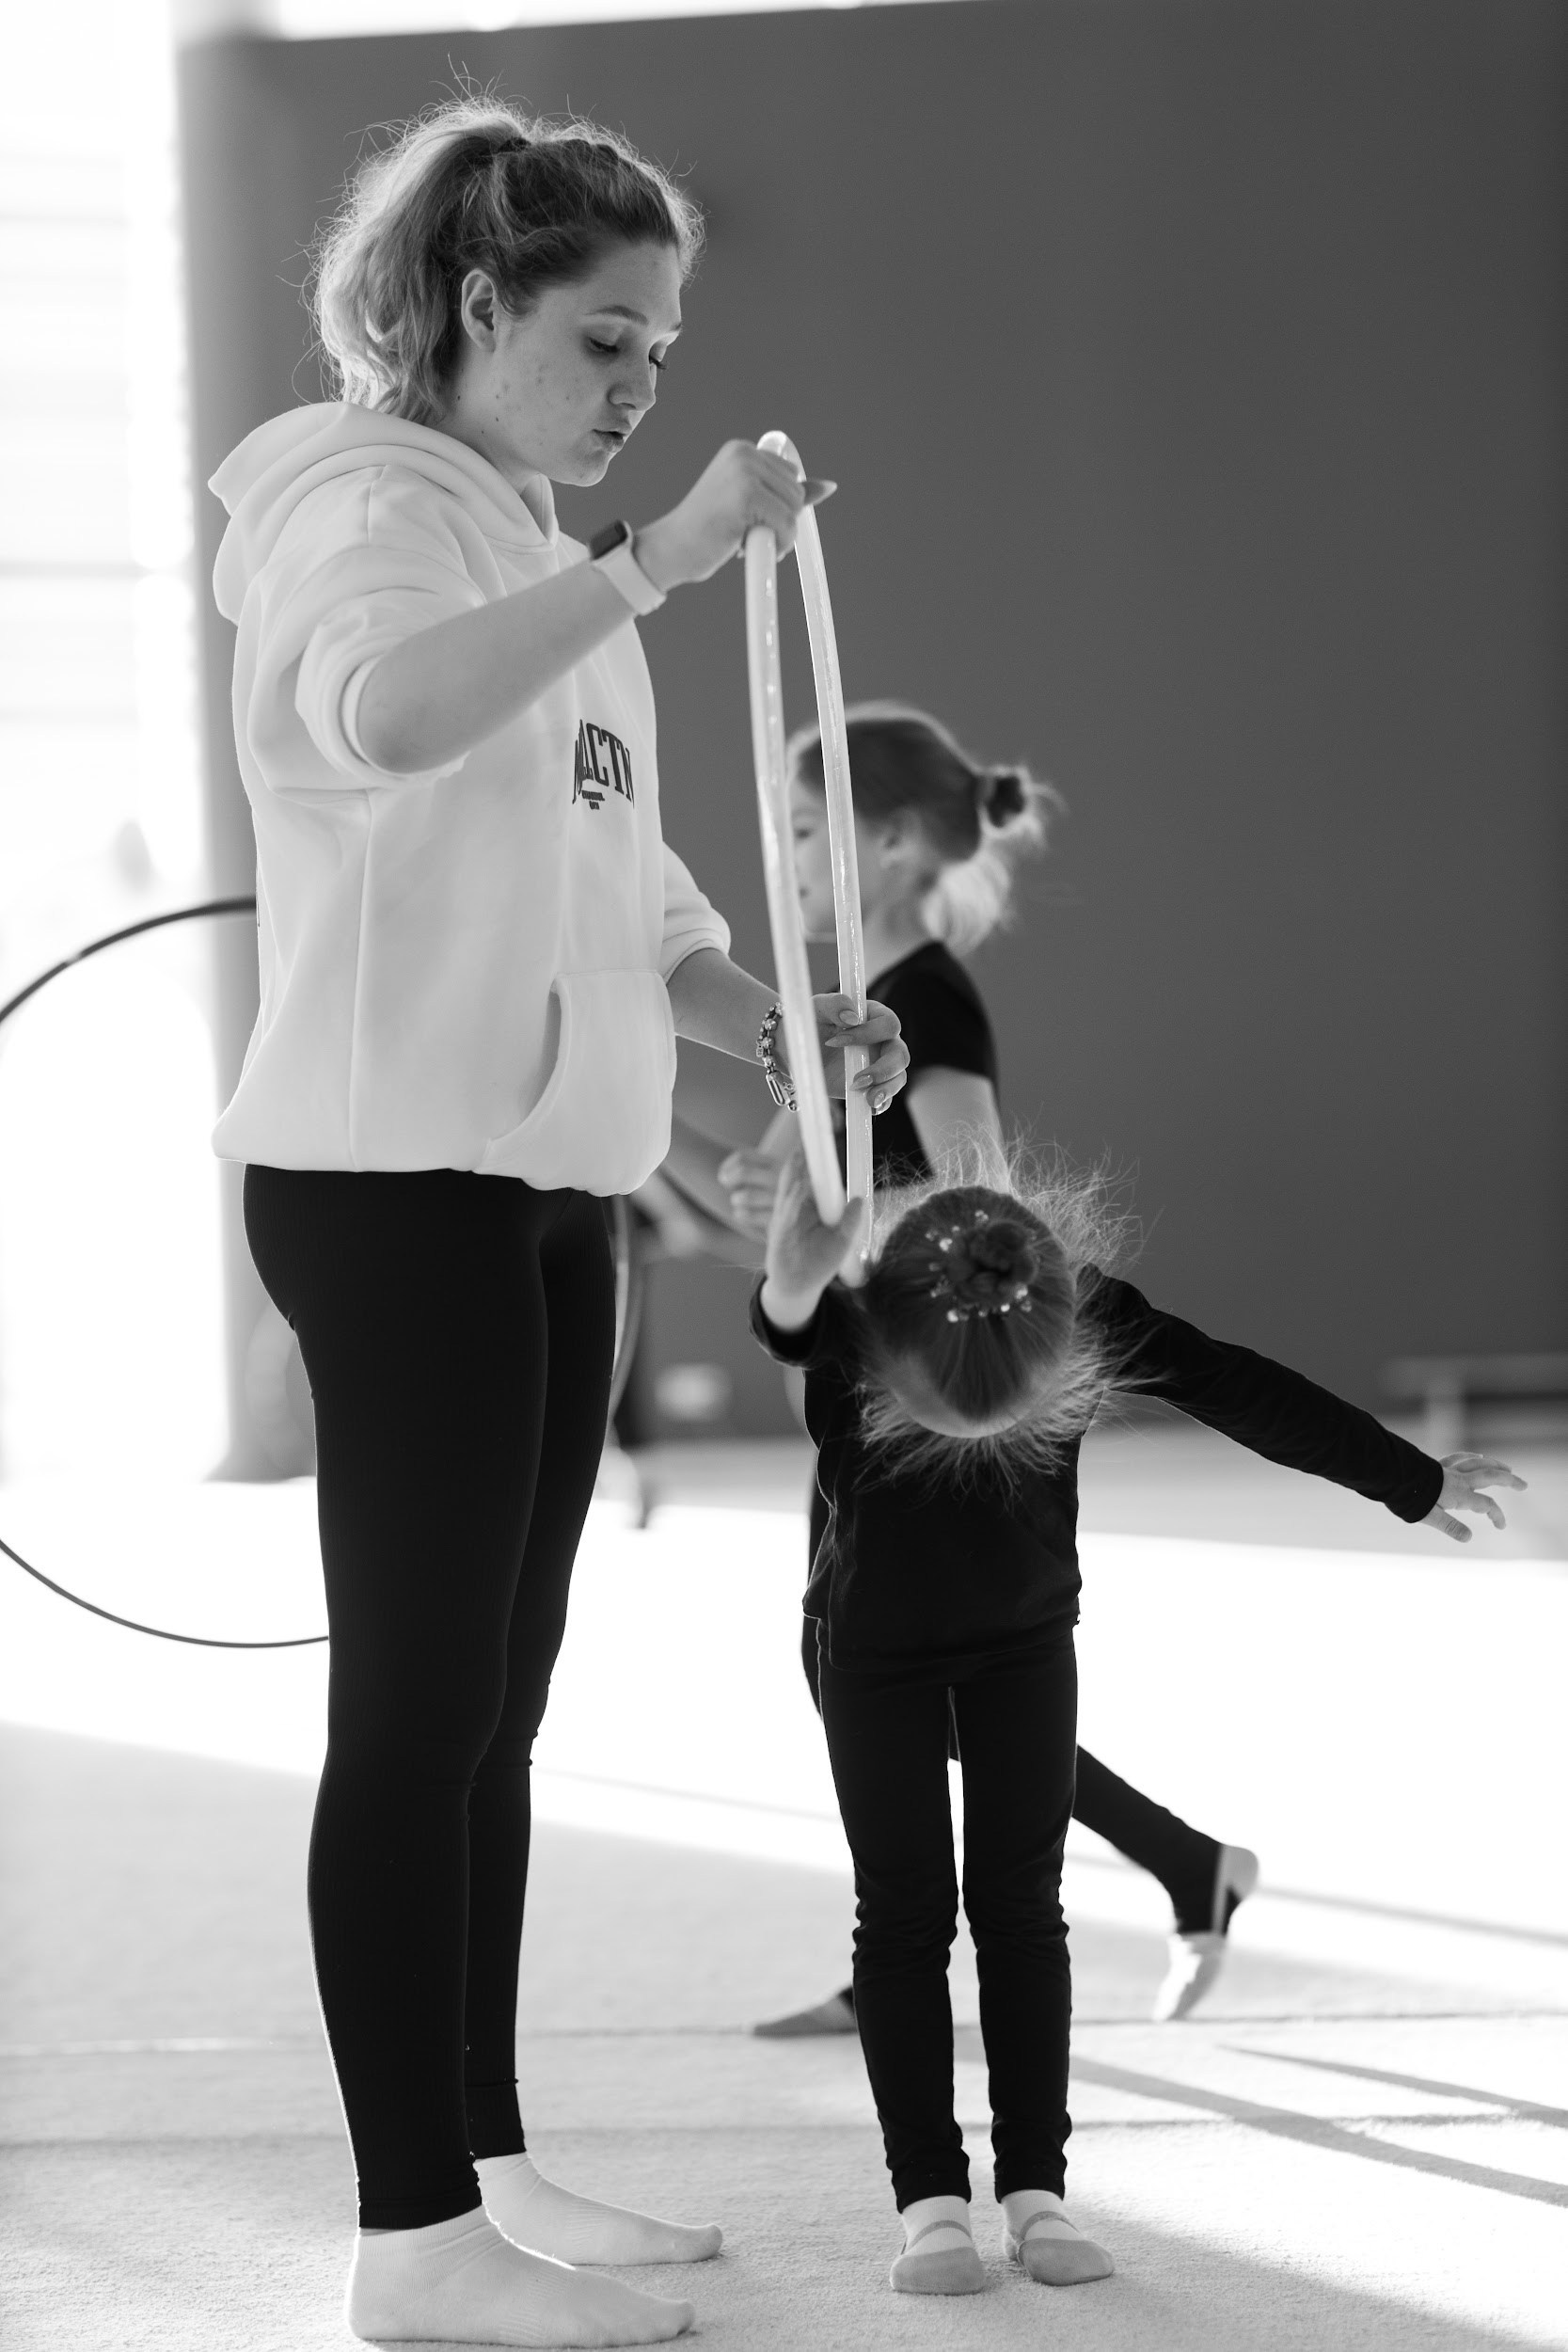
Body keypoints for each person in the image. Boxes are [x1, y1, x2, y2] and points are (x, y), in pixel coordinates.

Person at [211, 100, 908, 2350]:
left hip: (538, 1191)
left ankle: (483, 2168)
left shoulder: (521, 541)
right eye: (603, 337)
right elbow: (386, 714)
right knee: (414, 1717)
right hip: (390, 1188)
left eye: (661, 349)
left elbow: (634, 888)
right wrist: (648, 559)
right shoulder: (359, 509)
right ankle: (408, 2237)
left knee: (490, 1718)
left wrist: (777, 1026)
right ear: (467, 301)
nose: (638, 384)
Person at [750, 1144, 1523, 2296]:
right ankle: (928, 2207)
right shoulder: (858, 1305)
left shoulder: (1079, 1307)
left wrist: (1406, 1479)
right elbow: (783, 1322)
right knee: (903, 1914)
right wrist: (790, 1270)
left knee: (1020, 1907)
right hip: (869, 1650)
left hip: (1022, 1641)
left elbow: (1236, 1385)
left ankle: (1036, 2192)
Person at [712, 705, 1259, 2030]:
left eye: (806, 830)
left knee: (879, 1671)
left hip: (927, 1403)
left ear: (894, 841)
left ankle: (916, 1959)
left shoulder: (921, 1004)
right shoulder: (865, 1014)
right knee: (877, 1674)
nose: (785, 863)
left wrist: (841, 1235)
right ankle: (1183, 1866)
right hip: (878, 1399)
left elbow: (981, 1191)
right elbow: (789, 1194)